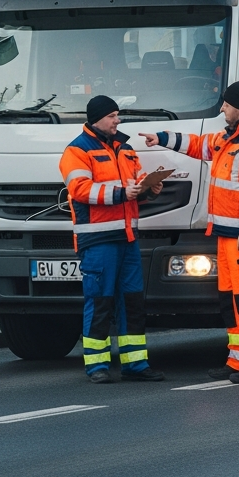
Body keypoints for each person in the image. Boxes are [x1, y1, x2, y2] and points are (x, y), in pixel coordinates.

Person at [140, 80, 239, 384]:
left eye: (226, 105)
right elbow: (198, 144)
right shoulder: (230, 137)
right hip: (228, 235)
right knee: (230, 300)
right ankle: (238, 359)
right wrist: (161, 137)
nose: (222, 109)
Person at [59, 94, 166, 384]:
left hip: (127, 237)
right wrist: (122, 193)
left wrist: (149, 189)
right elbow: (81, 190)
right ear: (96, 119)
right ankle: (97, 366)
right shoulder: (77, 151)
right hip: (98, 240)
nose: (117, 120)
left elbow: (137, 181)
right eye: (112, 116)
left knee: (132, 303)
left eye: (117, 115)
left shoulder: (126, 148)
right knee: (100, 301)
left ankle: (135, 364)